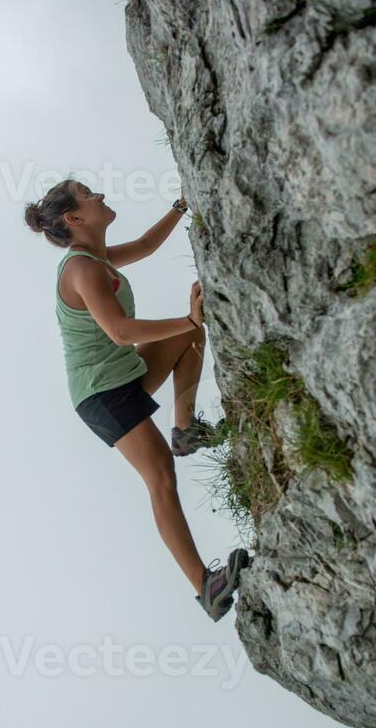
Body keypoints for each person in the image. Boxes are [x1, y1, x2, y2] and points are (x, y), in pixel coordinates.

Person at [24, 178, 250, 622]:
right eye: (89, 194)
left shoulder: (98, 259)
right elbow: (121, 332)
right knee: (160, 476)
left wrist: (183, 204)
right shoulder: (81, 270)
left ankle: (185, 432)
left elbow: (146, 245)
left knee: (192, 334)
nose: (101, 196)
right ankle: (205, 586)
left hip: (121, 377)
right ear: (74, 218)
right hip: (100, 393)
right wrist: (185, 315)